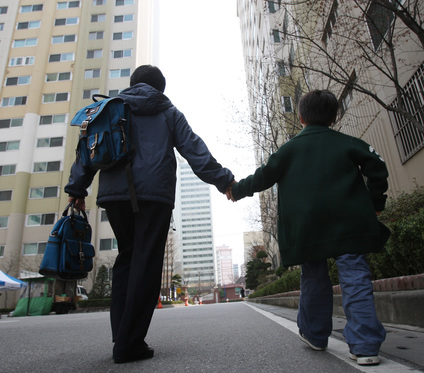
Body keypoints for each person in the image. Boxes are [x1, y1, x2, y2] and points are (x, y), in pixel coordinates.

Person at [65, 65, 235, 364]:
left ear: (132, 85)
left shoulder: (109, 108)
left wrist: (77, 189)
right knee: (146, 264)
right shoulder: (168, 112)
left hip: (115, 195)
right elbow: (194, 150)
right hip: (154, 196)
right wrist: (224, 180)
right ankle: (129, 344)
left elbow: (87, 150)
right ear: (160, 89)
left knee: (127, 259)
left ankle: (122, 336)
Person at [227, 90, 389, 366]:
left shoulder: (289, 149)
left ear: (300, 117)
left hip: (307, 228)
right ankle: (365, 346)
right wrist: (375, 203)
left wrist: (236, 190)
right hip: (349, 223)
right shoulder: (347, 143)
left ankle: (315, 335)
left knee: (313, 276)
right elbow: (378, 167)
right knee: (355, 276)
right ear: (334, 117)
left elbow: (263, 176)